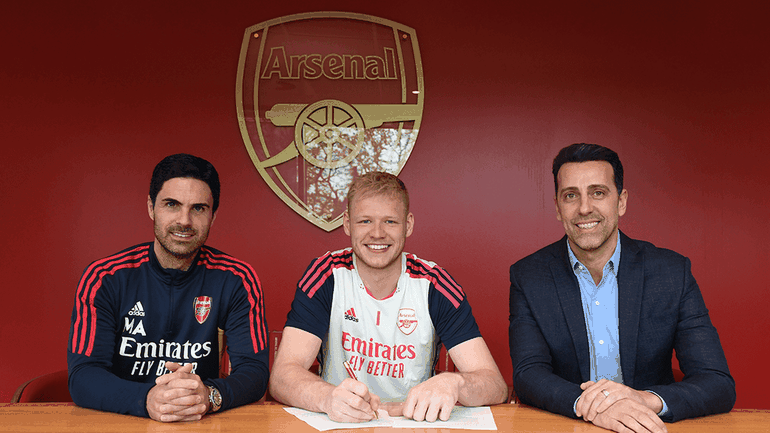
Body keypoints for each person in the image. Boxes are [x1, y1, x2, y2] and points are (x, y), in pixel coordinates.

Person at [509, 143, 735, 432]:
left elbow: (717, 382)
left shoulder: (671, 272)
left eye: (598, 193)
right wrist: (588, 406)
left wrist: (643, 400)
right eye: (570, 196)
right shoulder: (529, 276)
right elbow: (528, 374)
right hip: (571, 426)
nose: (585, 208)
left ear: (621, 201)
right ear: (557, 207)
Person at [270, 171, 508, 423]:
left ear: (408, 224)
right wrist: (328, 397)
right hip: (340, 423)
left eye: (390, 222)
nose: (377, 233)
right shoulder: (326, 275)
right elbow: (282, 376)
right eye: (365, 221)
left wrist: (455, 382)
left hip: (414, 424)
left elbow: (495, 386)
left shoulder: (435, 285)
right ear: (347, 224)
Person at [67, 153, 269, 421]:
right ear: (151, 207)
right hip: (122, 421)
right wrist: (146, 399)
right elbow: (83, 375)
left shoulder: (237, 278)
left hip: (198, 421)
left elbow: (255, 372)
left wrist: (208, 396)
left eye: (198, 208)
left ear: (214, 215)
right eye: (172, 204)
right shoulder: (104, 277)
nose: (184, 221)